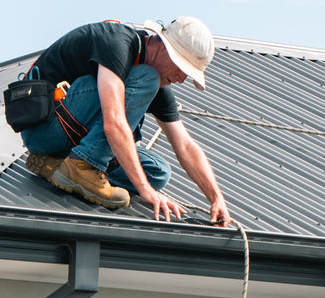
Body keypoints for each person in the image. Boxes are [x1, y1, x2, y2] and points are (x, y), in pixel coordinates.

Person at [18, 17, 232, 226]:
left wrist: (216, 198)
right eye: (183, 68)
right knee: (147, 80)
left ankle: (57, 167)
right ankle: (83, 166)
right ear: (166, 49)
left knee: (157, 172)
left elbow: (185, 146)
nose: (182, 79)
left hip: (70, 139)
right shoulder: (117, 43)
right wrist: (145, 191)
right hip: (44, 129)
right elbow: (114, 122)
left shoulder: (155, 83)